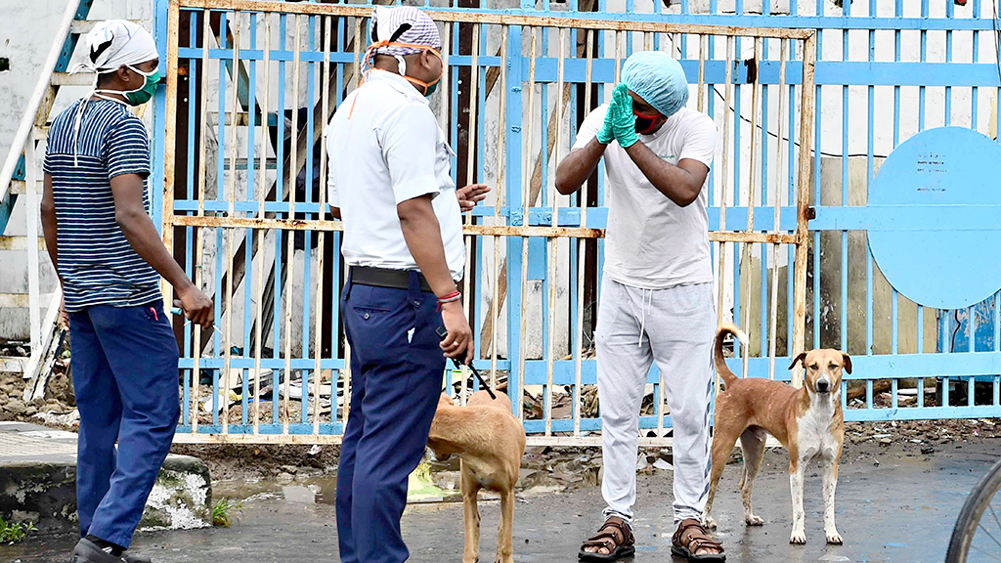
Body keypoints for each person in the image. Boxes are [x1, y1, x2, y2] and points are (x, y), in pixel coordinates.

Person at [40, 20, 213, 563]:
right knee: (154, 412)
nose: (153, 76)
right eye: (149, 67)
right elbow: (131, 215)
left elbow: (49, 211)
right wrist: (183, 285)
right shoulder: (124, 126)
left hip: (85, 298)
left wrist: (69, 284)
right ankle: (106, 537)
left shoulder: (64, 122)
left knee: (98, 419)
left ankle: (97, 542)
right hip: (127, 296)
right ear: (123, 70)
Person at [325, 6, 489, 563]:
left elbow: (353, 201)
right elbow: (411, 212)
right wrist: (451, 301)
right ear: (421, 54)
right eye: (438, 52)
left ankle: (359, 554)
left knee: (366, 438)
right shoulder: (407, 110)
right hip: (408, 298)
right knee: (392, 450)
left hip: (366, 293)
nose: (440, 62)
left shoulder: (348, 111)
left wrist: (448, 201)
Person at [555, 52, 724, 562]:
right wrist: (606, 134)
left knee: (691, 411)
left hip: (684, 288)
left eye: (648, 116)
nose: (640, 119)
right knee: (619, 411)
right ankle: (617, 518)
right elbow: (565, 181)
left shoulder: (696, 127)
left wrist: (631, 141)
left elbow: (685, 189)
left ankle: (690, 519)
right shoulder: (608, 118)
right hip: (623, 288)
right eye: (635, 108)